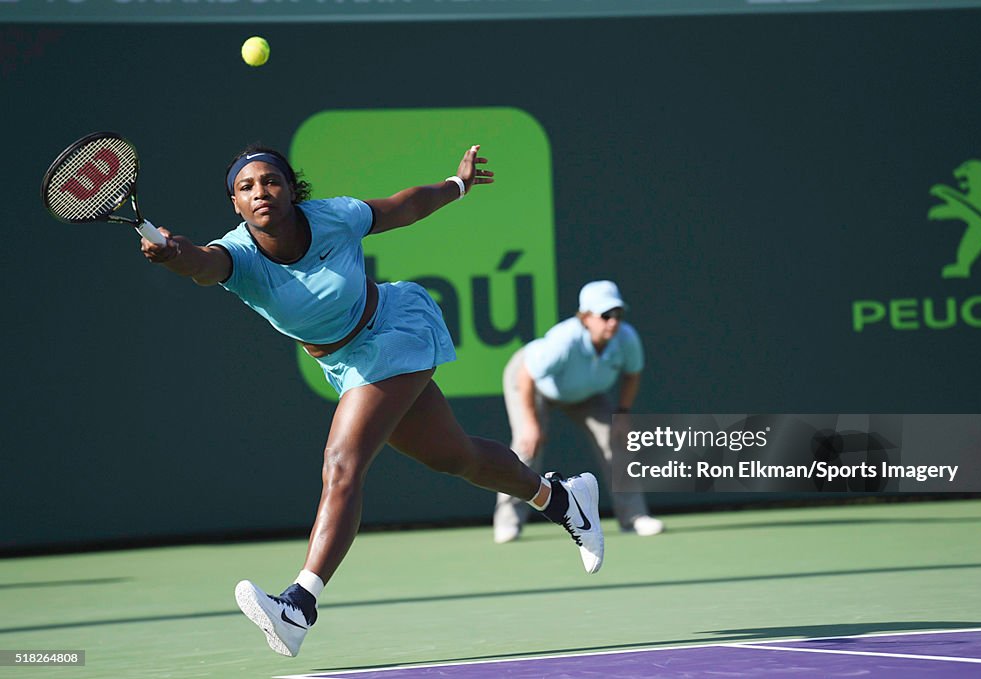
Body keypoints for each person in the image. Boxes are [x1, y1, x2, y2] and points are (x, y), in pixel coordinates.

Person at [139, 144, 604, 658]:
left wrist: (458, 185)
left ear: (292, 189)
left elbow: (404, 205)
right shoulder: (238, 255)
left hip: (396, 327)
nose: (260, 192)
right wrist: (173, 254)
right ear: (235, 205)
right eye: (246, 187)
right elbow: (201, 264)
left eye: (270, 181)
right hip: (347, 364)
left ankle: (298, 605)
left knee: (342, 463)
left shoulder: (333, 217)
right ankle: (561, 499)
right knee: (457, 457)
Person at [493, 280, 664, 544]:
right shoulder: (564, 341)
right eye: (605, 315)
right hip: (533, 383)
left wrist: (622, 413)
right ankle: (508, 523)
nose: (613, 322)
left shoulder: (626, 339)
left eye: (618, 315)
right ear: (585, 318)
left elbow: (632, 374)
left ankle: (634, 517)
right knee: (527, 445)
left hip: (585, 393)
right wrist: (530, 423)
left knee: (616, 439)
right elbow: (526, 374)